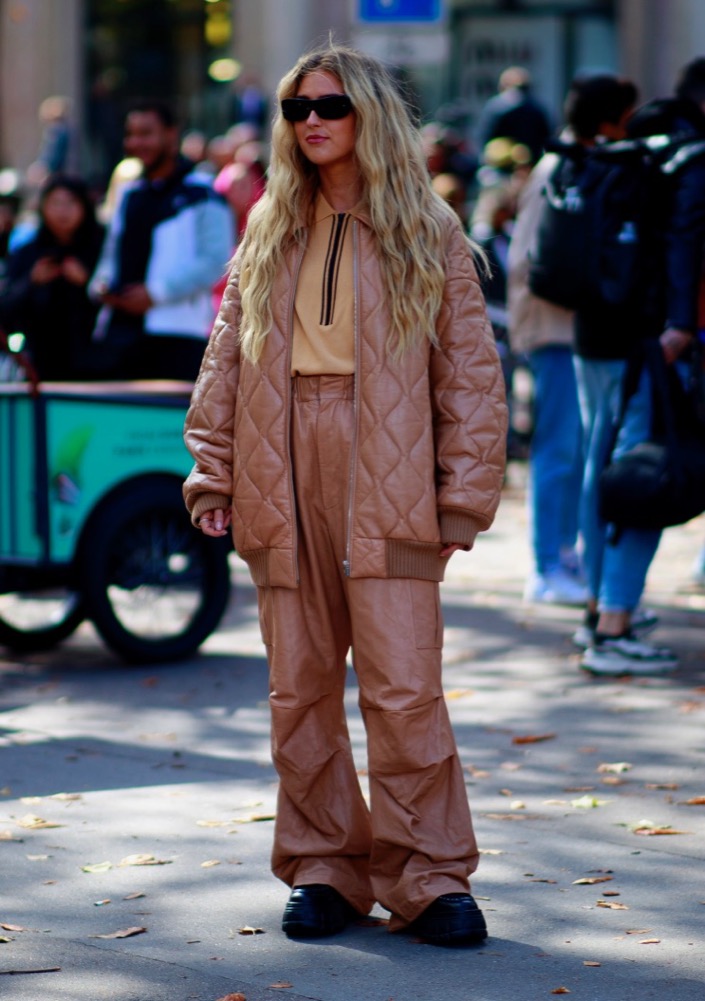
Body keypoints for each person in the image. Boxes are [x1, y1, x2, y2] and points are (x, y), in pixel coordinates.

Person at [183, 44, 507, 945]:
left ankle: (428, 876)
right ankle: (325, 865)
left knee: (404, 690)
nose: (311, 121)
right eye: (294, 110)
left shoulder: (424, 228)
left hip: (390, 467)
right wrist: (212, 471)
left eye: (327, 104)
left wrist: (460, 497)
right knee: (300, 688)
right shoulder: (270, 226)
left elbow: (471, 378)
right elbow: (225, 357)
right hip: (280, 465)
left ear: (366, 111)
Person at [573, 63, 705, 675]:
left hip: (611, 336)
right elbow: (684, 245)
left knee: (613, 470)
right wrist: (679, 326)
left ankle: (602, 611)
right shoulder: (688, 162)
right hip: (660, 345)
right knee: (643, 478)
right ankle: (613, 627)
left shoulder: (638, 157)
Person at [508, 75, 640, 607]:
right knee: (560, 448)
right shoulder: (562, 168)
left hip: (562, 327)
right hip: (555, 329)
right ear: (609, 122)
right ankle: (547, 564)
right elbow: (529, 259)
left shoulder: (567, 164)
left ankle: (561, 558)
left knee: (574, 447)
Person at [88, 100, 233, 380]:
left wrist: (155, 293)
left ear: (171, 134)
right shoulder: (129, 193)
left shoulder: (203, 193)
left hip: (178, 338)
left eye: (146, 133)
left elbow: (216, 260)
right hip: (119, 336)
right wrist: (101, 286)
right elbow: (111, 253)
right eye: (131, 134)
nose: (136, 142)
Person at [0, 175, 104, 381]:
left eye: (70, 203)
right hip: (39, 368)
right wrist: (32, 282)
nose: (62, 211)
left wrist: (87, 283)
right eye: (55, 203)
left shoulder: (103, 248)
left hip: (97, 367)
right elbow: (5, 310)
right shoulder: (27, 252)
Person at [476, 67, 552, 167]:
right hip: (529, 168)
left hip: (502, 169)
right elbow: (547, 139)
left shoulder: (495, 106)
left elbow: (484, 140)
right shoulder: (537, 108)